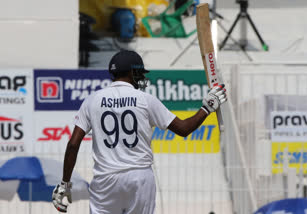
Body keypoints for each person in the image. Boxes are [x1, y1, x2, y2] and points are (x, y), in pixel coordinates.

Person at [52, 50, 227, 214]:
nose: (142, 77)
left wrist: (65, 183)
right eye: (139, 73)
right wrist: (207, 108)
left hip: (105, 180)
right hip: (140, 177)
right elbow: (184, 129)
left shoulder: (92, 100)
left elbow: (73, 144)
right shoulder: (145, 99)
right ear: (130, 73)